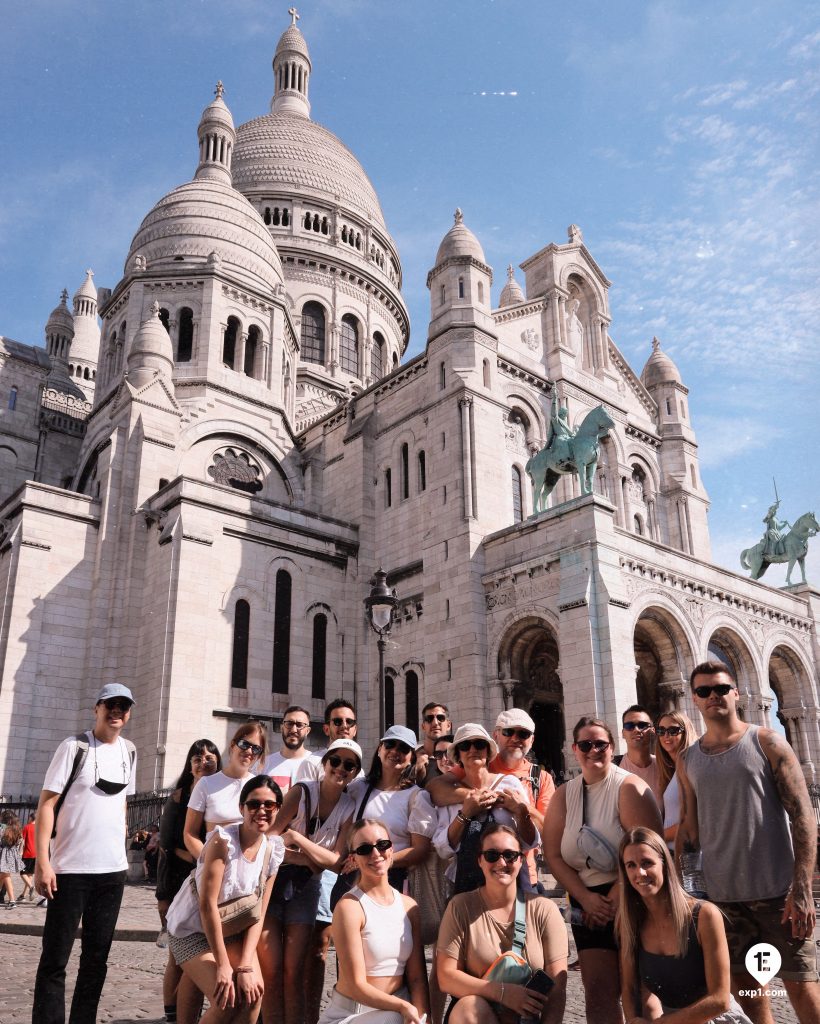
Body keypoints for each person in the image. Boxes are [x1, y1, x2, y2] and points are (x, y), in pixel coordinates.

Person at [676, 661, 820, 1024]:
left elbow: (803, 815)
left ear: (736, 693)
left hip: (778, 896)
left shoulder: (767, 741)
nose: (714, 696)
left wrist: (801, 888)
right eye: (705, 691)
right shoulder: (687, 759)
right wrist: (686, 894)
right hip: (723, 902)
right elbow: (690, 830)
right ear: (694, 699)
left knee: (803, 990)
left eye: (722, 688)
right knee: (751, 996)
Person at [542, 715, 662, 1024]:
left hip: (634, 896)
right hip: (588, 903)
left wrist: (613, 897)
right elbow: (553, 855)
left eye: (601, 744)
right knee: (597, 991)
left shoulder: (630, 787)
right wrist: (586, 897)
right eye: (586, 744)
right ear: (574, 749)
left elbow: (652, 853)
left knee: (639, 994)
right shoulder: (564, 794)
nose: (593, 750)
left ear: (612, 747)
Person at [32, 682, 138, 1024]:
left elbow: (122, 802)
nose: (117, 711)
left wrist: (119, 839)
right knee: (55, 960)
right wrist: (43, 863)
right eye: (111, 705)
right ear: (97, 708)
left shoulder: (130, 751)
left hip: (112, 873)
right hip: (70, 871)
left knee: (96, 959)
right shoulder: (73, 746)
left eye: (123, 706)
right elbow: (46, 804)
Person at [166, 774, 285, 1024]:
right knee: (227, 1001)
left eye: (269, 805)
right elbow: (207, 905)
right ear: (242, 808)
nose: (261, 810)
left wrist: (244, 966)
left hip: (232, 928)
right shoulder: (224, 841)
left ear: (278, 809)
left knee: (253, 996)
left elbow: (259, 913)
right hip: (192, 929)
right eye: (254, 804)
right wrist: (223, 965)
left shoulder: (273, 849)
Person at [261, 739, 361, 1024]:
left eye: (349, 765)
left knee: (295, 970)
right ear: (325, 763)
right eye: (336, 761)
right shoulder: (301, 791)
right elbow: (270, 842)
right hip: (274, 883)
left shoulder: (348, 806)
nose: (341, 768)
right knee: (272, 969)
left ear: (354, 773)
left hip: (307, 889)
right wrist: (308, 859)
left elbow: (336, 860)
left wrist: (297, 839)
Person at [617, 826, 753, 1024]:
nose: (640, 872)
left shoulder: (704, 915)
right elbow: (629, 988)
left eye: (647, 862)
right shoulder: (629, 922)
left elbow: (720, 1000)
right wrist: (633, 1020)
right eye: (631, 865)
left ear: (665, 864)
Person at [437, 823, 568, 1024]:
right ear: (480, 860)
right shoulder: (460, 907)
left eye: (510, 855)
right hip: (476, 1017)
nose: (501, 862)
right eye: (492, 855)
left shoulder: (545, 910)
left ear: (521, 860)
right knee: (469, 1007)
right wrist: (503, 993)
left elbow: (557, 988)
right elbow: (446, 977)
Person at [428, 709, 554, 892]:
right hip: (469, 883)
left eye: (523, 734)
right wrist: (473, 802)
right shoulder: (457, 782)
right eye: (509, 732)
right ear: (496, 735)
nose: (516, 738)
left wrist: (521, 808)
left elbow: (544, 834)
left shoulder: (535, 779)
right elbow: (434, 789)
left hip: (516, 878)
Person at [318, 818, 429, 1024]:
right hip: (353, 1014)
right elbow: (356, 985)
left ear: (391, 848)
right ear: (353, 859)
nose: (376, 853)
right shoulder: (350, 906)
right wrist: (403, 1007)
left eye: (382, 845)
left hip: (399, 1011)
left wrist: (422, 1017)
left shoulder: (409, 906)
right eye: (364, 849)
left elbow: (417, 979)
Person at [298, 701, 362, 1024]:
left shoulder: (361, 774)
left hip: (350, 869)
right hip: (315, 868)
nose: (343, 725)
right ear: (327, 727)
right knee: (313, 948)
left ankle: (344, 1015)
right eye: (337, 721)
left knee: (349, 950)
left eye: (349, 721)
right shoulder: (311, 766)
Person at [157, 739, 222, 1024]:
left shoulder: (221, 790)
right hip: (179, 880)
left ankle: (189, 1014)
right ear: (190, 765)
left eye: (210, 756)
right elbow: (170, 844)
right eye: (198, 758)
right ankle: (172, 1013)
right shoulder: (179, 797)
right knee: (178, 956)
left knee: (201, 954)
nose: (204, 761)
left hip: (211, 882)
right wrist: (205, 862)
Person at [344, 726, 436, 897]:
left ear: (411, 758)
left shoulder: (417, 797)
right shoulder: (357, 788)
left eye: (403, 748)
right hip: (354, 878)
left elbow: (420, 850)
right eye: (390, 745)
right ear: (380, 749)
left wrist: (378, 861)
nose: (395, 751)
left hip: (393, 882)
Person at [185, 722, 267, 860]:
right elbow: (189, 833)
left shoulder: (260, 787)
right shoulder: (206, 784)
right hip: (214, 865)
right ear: (233, 745)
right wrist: (207, 862)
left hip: (248, 868)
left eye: (256, 748)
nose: (249, 751)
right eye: (244, 744)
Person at [653, 710, 696, 853]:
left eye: (673, 730)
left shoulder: (692, 765)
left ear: (686, 731)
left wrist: (657, 838)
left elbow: (700, 818)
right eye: (661, 730)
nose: (666, 736)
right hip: (676, 853)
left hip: (690, 855)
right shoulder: (674, 769)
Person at [264, 706, 315, 796]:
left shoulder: (317, 764)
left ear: (307, 731)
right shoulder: (264, 764)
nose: (294, 730)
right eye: (289, 724)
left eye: (299, 725)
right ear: (282, 728)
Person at [618, 704, 662, 805]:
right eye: (629, 726)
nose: (636, 730)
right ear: (623, 733)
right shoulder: (614, 769)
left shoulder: (665, 767)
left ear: (653, 731)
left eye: (642, 725)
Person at [415, 702, 453, 786]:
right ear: (423, 726)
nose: (435, 723)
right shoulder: (411, 758)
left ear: (448, 725)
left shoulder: (460, 756)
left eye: (440, 718)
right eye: (429, 718)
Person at [0, 811, 24, 907]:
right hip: (11, 854)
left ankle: (12, 900)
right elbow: (20, 841)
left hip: (3, 854)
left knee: (6, 876)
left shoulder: (2, 829)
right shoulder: (17, 829)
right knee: (2, 876)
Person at [19, 812, 37, 903]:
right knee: (30, 875)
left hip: (28, 853)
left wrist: (20, 851)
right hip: (36, 854)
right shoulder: (38, 827)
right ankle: (23, 895)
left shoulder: (27, 827)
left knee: (22, 872)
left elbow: (23, 840)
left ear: (30, 818)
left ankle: (31, 887)